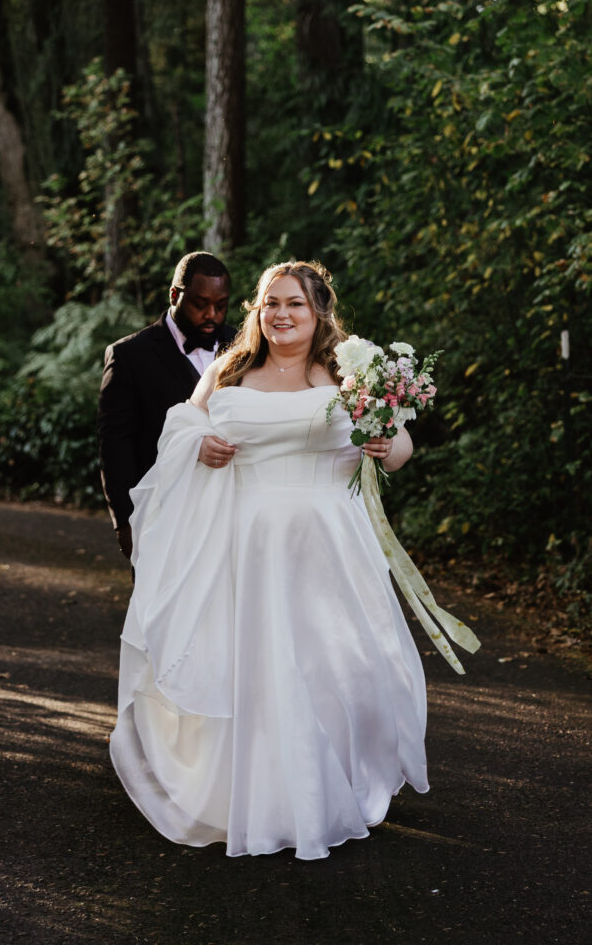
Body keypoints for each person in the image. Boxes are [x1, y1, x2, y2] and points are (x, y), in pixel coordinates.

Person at [109, 261, 475, 860]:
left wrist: (387, 445)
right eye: (270, 303)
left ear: (319, 311)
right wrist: (198, 444)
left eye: (295, 304)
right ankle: (265, 796)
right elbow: (180, 426)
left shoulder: (348, 371)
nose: (280, 314)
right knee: (258, 665)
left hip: (328, 541)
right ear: (258, 311)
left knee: (333, 665)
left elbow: (401, 445)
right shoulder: (232, 368)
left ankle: (334, 784)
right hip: (245, 543)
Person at [97, 251, 236, 559]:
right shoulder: (129, 356)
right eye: (201, 304)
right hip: (161, 511)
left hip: (232, 513)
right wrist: (125, 522)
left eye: (221, 305)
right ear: (175, 295)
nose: (212, 314)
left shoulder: (245, 346)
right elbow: (115, 445)